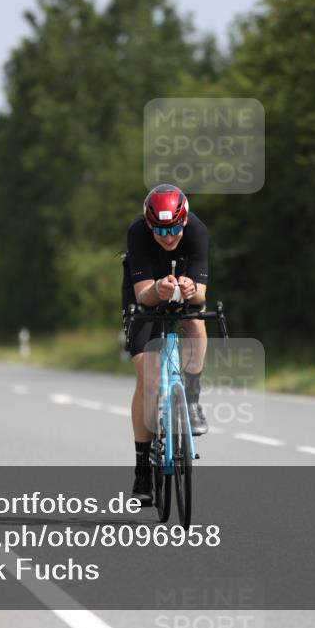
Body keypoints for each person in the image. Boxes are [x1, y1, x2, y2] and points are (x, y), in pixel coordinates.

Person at [122, 184, 210, 505]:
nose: (168, 236)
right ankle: (143, 470)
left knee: (196, 323)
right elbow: (143, 293)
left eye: (174, 228)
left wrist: (189, 288)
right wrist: (158, 287)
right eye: (160, 230)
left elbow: (202, 294)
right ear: (149, 224)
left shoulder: (198, 231)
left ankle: (193, 398)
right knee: (147, 378)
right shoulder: (138, 233)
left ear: (184, 221)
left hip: (183, 287)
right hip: (145, 292)